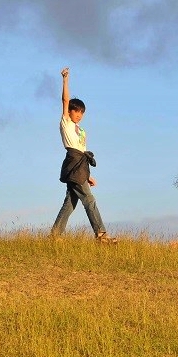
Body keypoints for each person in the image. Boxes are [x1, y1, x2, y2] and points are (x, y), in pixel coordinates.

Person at [50, 67, 116, 244]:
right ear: (69, 111)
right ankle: (101, 234)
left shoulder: (81, 130)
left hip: (80, 166)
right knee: (89, 199)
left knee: (70, 203)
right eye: (76, 111)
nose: (79, 115)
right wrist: (65, 80)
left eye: (81, 112)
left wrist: (88, 176)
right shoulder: (66, 123)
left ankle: (54, 235)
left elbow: (82, 155)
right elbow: (65, 100)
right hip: (73, 163)